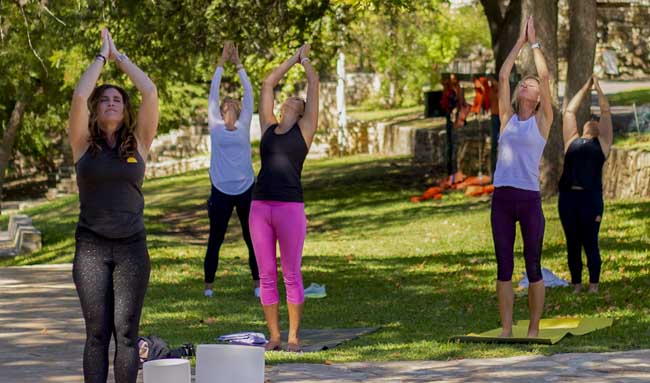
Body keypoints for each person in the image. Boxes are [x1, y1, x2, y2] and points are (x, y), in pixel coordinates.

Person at [68, 29, 158, 382]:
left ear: (125, 110)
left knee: (126, 333)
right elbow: (78, 96)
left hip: (131, 248)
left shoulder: (139, 142)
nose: (110, 103)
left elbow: (149, 90)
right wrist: (101, 58)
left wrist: (120, 58)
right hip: (90, 246)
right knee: (97, 334)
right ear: (97, 108)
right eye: (104, 99)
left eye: (117, 100)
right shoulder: (82, 144)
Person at [249, 43, 319, 352]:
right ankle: (274, 337)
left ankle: (292, 336)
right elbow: (267, 83)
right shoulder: (267, 127)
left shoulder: (305, 130)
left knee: (290, 272)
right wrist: (292, 58)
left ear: (302, 110)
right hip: (260, 206)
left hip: (290, 207)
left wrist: (306, 63)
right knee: (266, 273)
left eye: (298, 100)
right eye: (288, 98)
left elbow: (314, 85)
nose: (292, 99)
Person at [491, 16, 553, 338]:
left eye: (533, 84)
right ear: (519, 93)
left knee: (532, 265)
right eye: (524, 82)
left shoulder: (542, 121)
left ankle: (532, 329)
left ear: (540, 96)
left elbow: (544, 74)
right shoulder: (507, 119)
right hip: (502, 198)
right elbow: (503, 75)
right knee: (503, 266)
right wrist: (519, 43)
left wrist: (536, 43)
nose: (528, 83)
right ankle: (505, 329)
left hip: (528, 199)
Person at [203, 42, 259, 298]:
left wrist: (238, 64)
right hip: (221, 190)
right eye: (226, 107)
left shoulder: (245, 122)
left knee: (252, 238)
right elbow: (213, 93)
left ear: (238, 110)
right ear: (221, 110)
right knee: (216, 238)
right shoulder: (214, 125)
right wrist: (220, 63)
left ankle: (258, 283)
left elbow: (249, 93)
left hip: (246, 187)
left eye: (234, 107)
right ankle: (209, 285)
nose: (229, 109)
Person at [559, 75, 612, 294]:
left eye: (596, 120)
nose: (593, 120)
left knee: (590, 242)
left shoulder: (602, 144)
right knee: (572, 243)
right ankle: (576, 284)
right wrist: (585, 87)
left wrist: (598, 89)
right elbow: (569, 112)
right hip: (568, 198)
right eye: (590, 119)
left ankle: (594, 285)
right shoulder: (572, 141)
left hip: (590, 199)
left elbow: (606, 112)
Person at [488, 75, 500, 178]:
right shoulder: (490, 90)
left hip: (501, 117)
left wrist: (494, 81)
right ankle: (493, 174)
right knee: (494, 146)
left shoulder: (501, 89)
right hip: (494, 117)